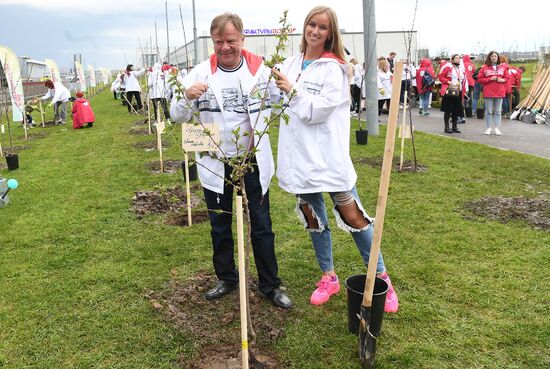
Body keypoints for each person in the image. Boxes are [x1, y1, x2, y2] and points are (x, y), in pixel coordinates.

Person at [271, 6, 398, 312]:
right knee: (314, 219)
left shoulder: (336, 69)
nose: (315, 31)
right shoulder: (291, 62)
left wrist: (293, 90)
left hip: (328, 160)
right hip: (300, 160)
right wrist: (274, 88)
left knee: (354, 217)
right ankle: (328, 276)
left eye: (322, 27)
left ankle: (380, 277)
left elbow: (318, 111)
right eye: (311, 24)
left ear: (331, 33)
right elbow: (278, 104)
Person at [170, 12, 291, 309]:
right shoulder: (199, 73)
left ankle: (270, 285)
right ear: (212, 42)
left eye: (231, 41)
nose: (225, 47)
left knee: (261, 225)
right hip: (215, 161)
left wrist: (288, 88)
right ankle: (226, 278)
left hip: (251, 161)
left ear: (242, 39)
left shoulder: (260, 71)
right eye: (219, 42)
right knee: (219, 225)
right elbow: (176, 115)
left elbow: (284, 100)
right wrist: (186, 97)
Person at [477, 51, 509, 135]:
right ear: (489, 57)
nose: (494, 57)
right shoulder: (484, 68)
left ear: (498, 57)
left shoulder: (503, 68)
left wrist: (502, 80)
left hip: (500, 92)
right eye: (492, 56)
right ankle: (488, 128)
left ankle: (497, 128)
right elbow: (479, 79)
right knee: (489, 111)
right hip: (488, 92)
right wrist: (490, 79)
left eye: (495, 56)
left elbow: (507, 78)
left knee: (498, 111)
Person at [438, 54, 467, 134]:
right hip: (449, 90)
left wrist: (465, 90)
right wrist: (448, 81)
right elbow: (440, 77)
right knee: (448, 110)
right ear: (452, 59)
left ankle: (454, 127)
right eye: (456, 58)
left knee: (456, 110)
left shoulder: (461, 69)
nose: (458, 59)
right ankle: (446, 127)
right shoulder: (448, 67)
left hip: (458, 91)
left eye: (459, 58)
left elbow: (464, 80)